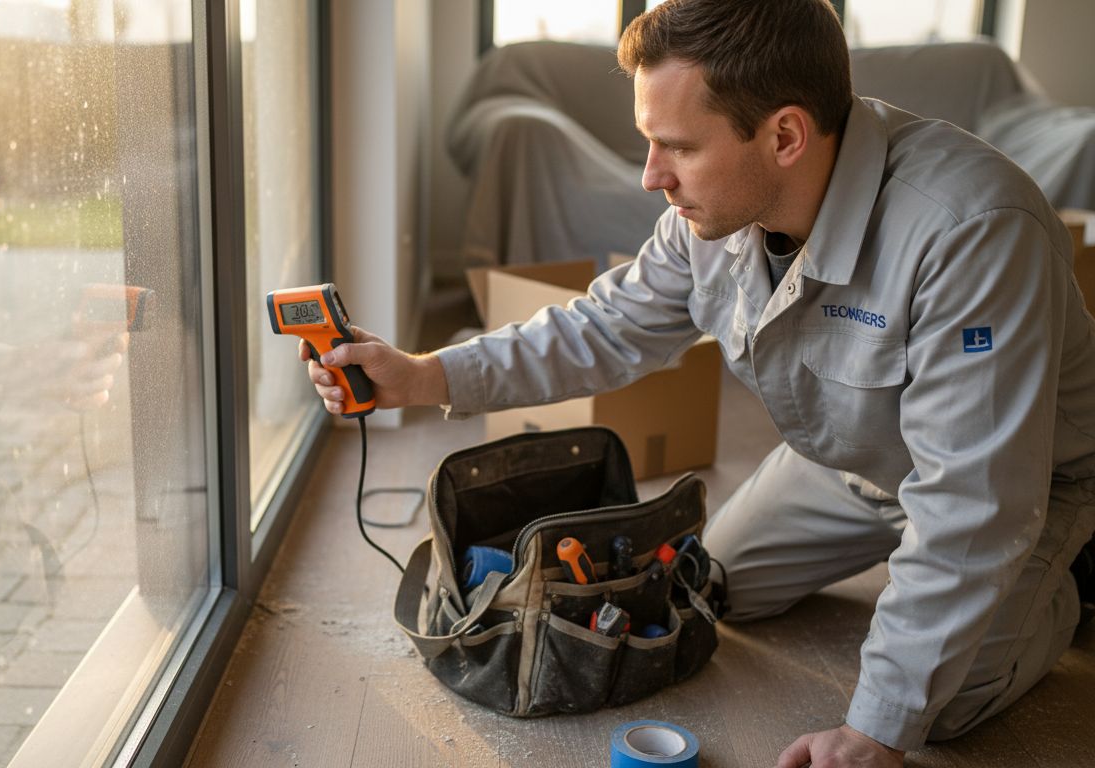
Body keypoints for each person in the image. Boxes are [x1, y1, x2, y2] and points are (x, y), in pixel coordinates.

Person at [299, 0, 1095, 765]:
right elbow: (601, 328)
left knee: (932, 709)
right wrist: (422, 375)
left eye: (676, 147)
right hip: (853, 463)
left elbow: (973, 500)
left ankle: (1064, 579)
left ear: (785, 135)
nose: (652, 176)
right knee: (705, 585)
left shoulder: (972, 230)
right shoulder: (716, 217)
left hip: (1022, 482)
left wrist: (875, 730)